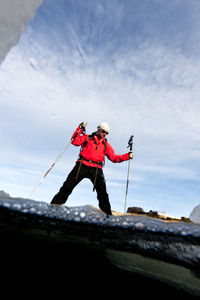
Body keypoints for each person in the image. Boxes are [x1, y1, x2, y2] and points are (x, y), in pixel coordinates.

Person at [50, 122, 133, 215]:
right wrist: (80, 128)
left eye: (107, 133)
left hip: (96, 169)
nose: (105, 134)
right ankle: (52, 209)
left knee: (103, 194)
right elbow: (74, 141)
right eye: (103, 131)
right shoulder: (87, 138)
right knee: (67, 187)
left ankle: (108, 217)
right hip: (82, 165)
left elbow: (114, 158)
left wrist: (127, 156)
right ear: (98, 129)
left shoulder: (106, 145)